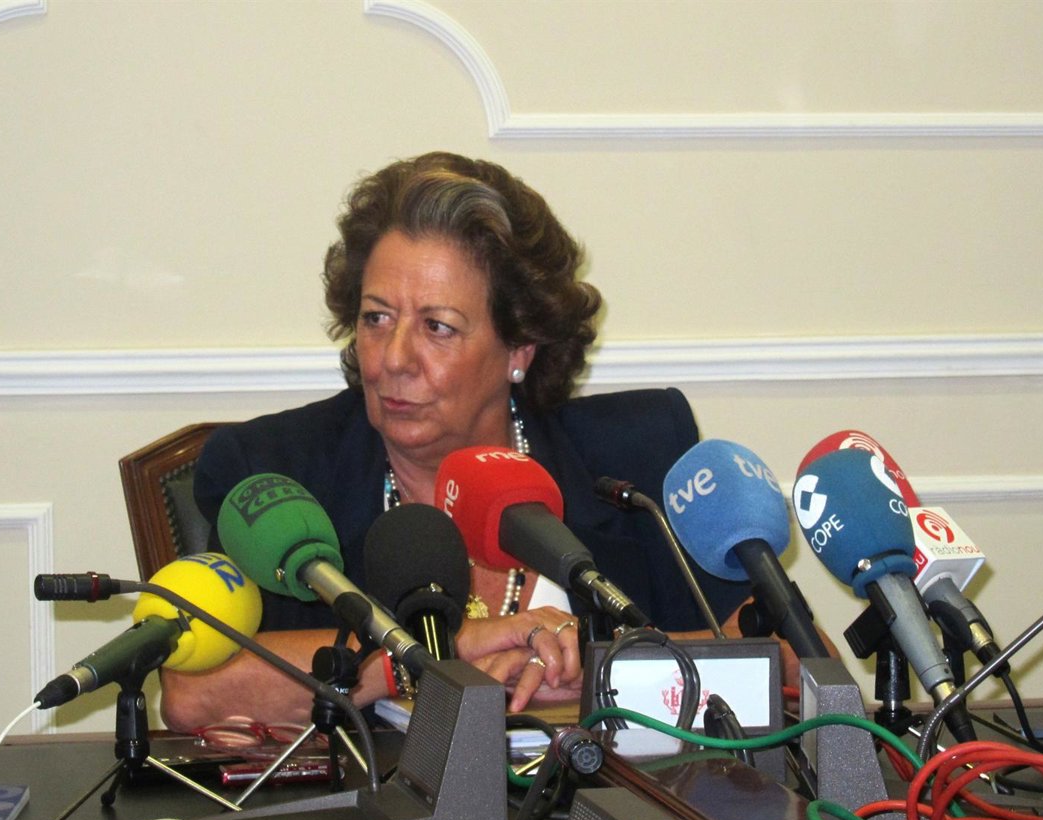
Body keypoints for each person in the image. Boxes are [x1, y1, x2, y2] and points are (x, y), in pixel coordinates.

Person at [159, 152, 755, 733]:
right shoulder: (276, 470)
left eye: (437, 327)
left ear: (519, 348)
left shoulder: (638, 453)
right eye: (376, 318)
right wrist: (426, 657)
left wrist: (602, 670)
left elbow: (774, 651)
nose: (394, 359)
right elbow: (191, 693)